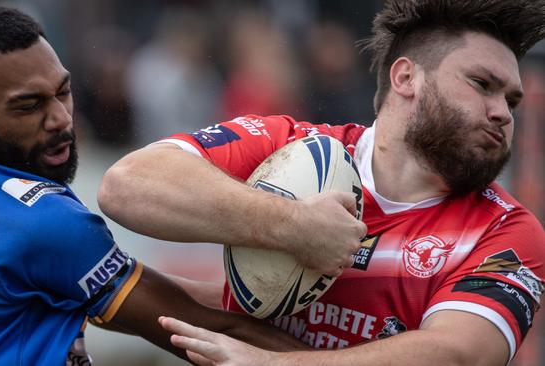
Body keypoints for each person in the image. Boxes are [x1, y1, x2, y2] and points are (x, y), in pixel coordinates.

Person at [97, 0, 545, 365]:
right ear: (406, 77)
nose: (503, 113)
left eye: (511, 99)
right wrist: (291, 225)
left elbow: (456, 354)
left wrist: (269, 363)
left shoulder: (506, 231)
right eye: (482, 84)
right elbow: (128, 185)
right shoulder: (290, 145)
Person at [0, 6, 306, 365]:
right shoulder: (38, 222)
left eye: (63, 92)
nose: (60, 119)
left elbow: (108, 294)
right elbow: (203, 333)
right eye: (28, 106)